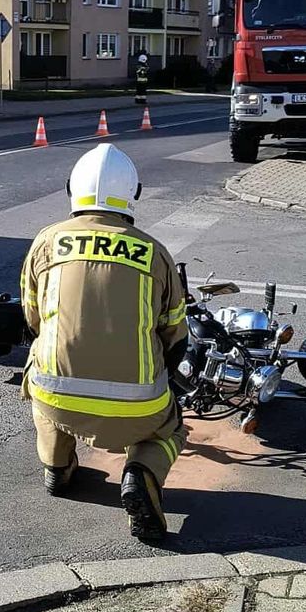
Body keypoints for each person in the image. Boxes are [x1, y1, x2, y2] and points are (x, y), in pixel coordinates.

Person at [19, 144, 188, 541]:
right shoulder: (154, 253)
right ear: (135, 193)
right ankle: (141, 472)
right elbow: (175, 337)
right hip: (138, 407)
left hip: (59, 398)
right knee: (172, 428)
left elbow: (31, 319)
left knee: (40, 377)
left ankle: (58, 468)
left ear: (70, 190)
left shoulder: (47, 242)